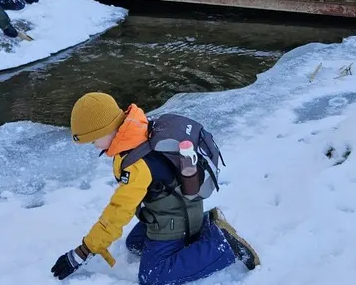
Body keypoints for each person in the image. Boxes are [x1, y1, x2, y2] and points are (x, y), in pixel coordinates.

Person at [50, 93, 259, 284]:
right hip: (173, 206)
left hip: (175, 216)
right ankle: (205, 224)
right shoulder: (135, 129)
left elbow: (117, 213)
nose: (95, 146)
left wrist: (84, 251)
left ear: (107, 129)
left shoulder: (136, 165)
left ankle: (221, 247)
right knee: (134, 244)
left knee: (153, 276)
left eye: (94, 140)